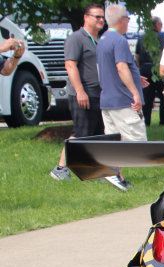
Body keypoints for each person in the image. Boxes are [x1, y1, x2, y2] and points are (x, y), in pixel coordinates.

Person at [50, 3, 106, 182]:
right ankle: (60, 168)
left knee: (97, 133)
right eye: (97, 16)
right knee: (81, 132)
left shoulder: (98, 40)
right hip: (82, 93)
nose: (101, 20)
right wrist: (80, 91)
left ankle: (95, 171)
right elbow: (70, 65)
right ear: (86, 17)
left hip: (98, 94)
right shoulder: (77, 38)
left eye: (102, 17)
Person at [96, 4, 147, 191]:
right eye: (127, 18)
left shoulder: (102, 40)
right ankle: (112, 174)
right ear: (120, 20)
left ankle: (114, 175)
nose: (128, 21)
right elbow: (121, 67)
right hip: (122, 100)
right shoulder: (119, 41)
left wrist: (136, 78)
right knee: (137, 143)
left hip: (107, 99)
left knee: (113, 141)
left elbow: (112, 68)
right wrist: (134, 92)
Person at [136, 16, 164, 126]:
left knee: (146, 98)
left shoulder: (141, 38)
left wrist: (141, 67)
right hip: (157, 69)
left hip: (144, 70)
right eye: (161, 24)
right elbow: (163, 53)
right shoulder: (160, 37)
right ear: (156, 25)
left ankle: (145, 121)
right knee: (163, 96)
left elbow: (137, 55)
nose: (161, 26)